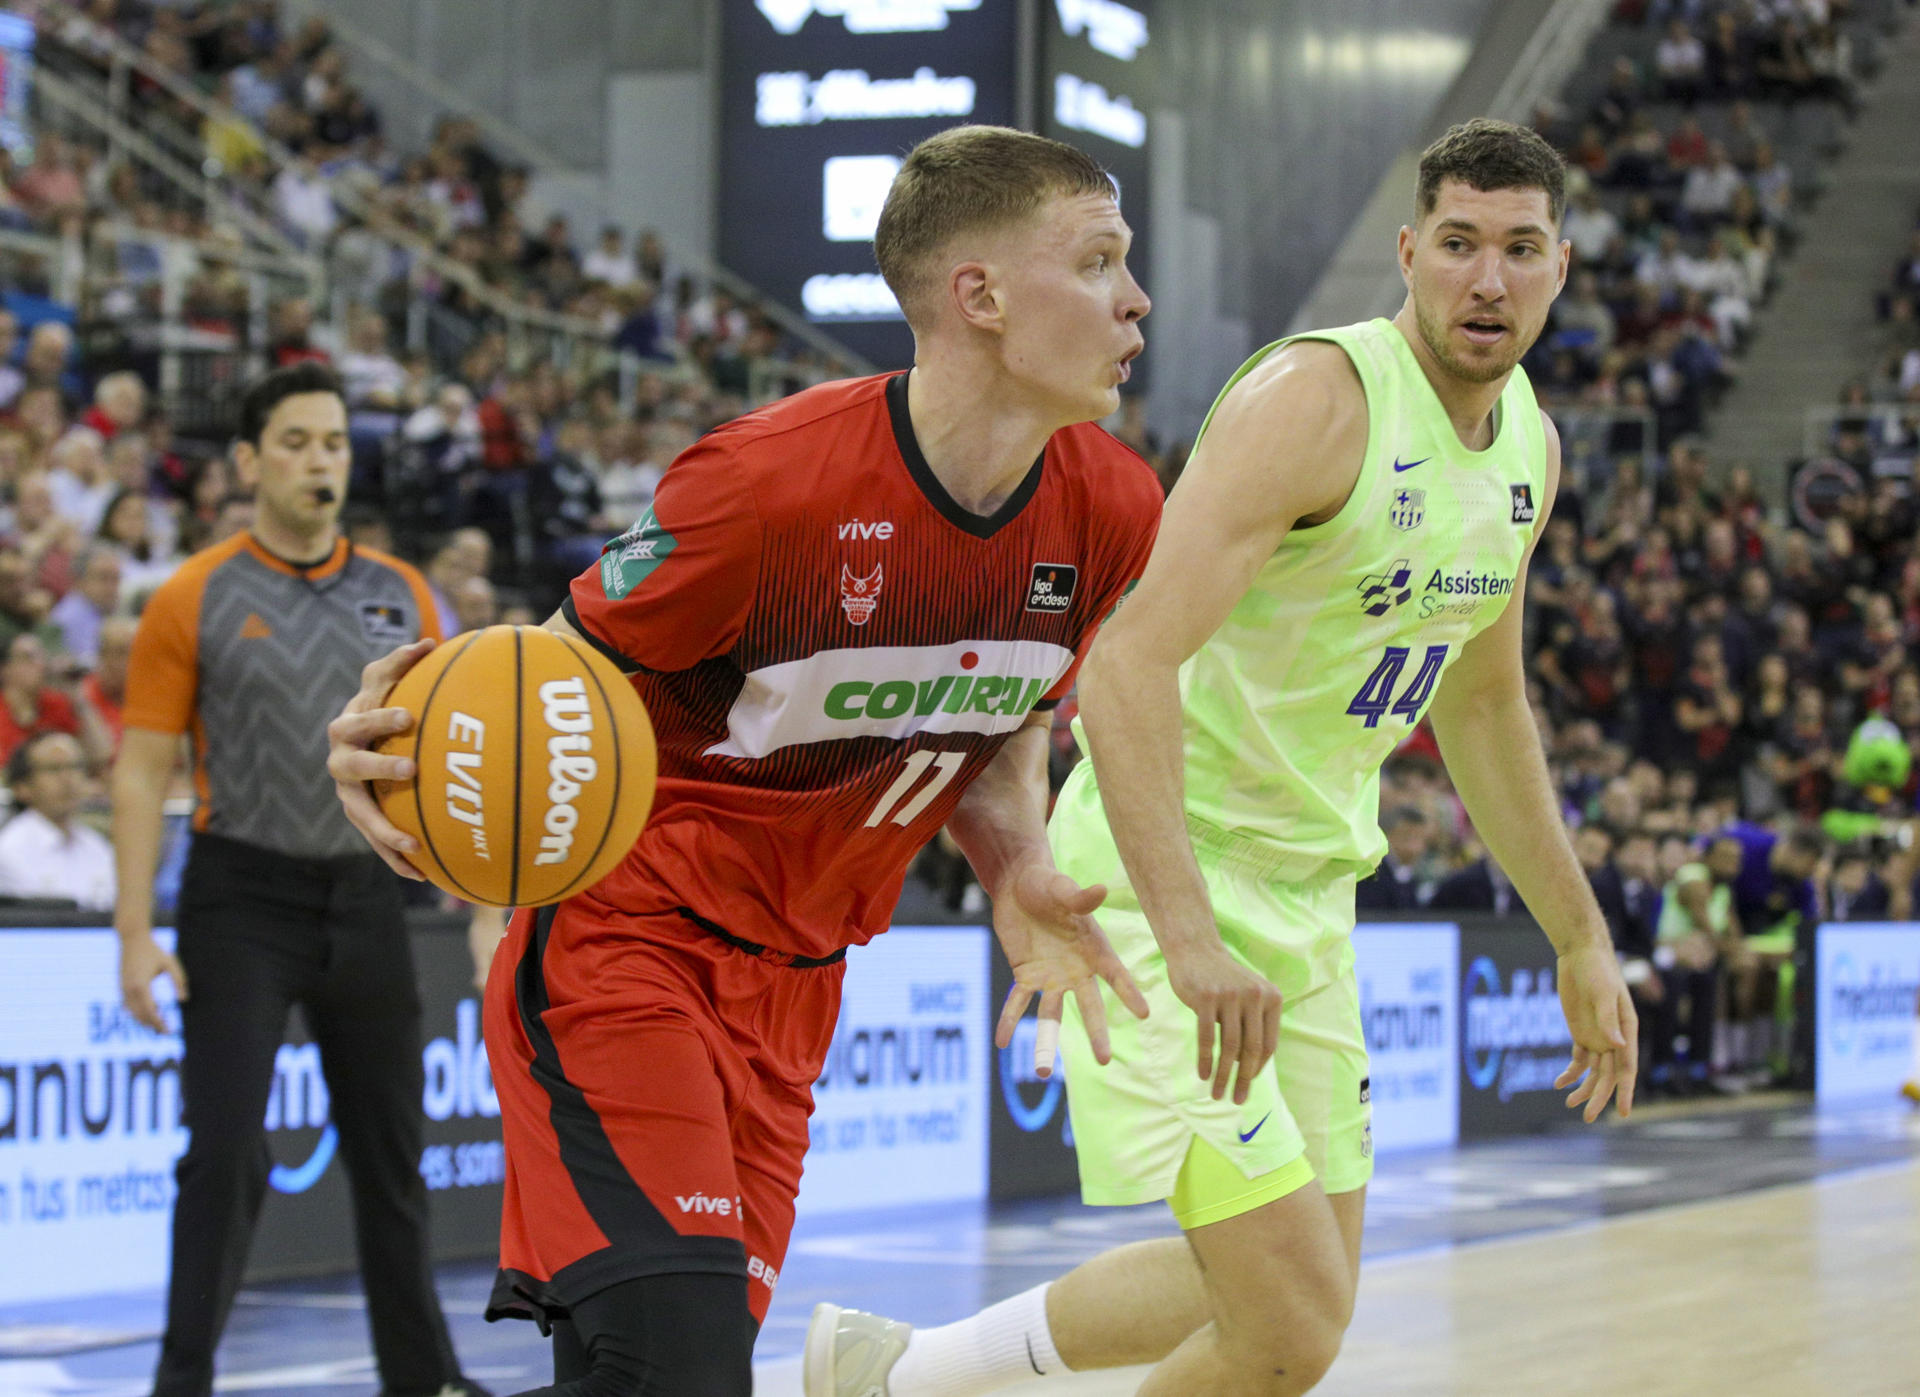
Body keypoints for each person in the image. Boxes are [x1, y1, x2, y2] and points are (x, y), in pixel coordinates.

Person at [326, 125, 1160, 1396]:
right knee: (685, 1363)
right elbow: (542, 683)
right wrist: (404, 756)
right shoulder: (768, 486)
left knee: (639, 1371)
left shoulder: (1111, 507)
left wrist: (1020, 865)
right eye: (1099, 260)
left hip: (795, 987)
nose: (1136, 298)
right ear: (978, 295)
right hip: (627, 940)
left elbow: (1006, 713)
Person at [809, 117, 1636, 1397]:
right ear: (1410, 253)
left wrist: (1579, 935)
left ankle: (893, 1374)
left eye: (1520, 250)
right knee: (1292, 1321)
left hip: (1308, 899)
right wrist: (1191, 935)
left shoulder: (1529, 442)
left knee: (1286, 1289)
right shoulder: (1320, 399)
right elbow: (1125, 664)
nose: (1489, 280)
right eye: (1461, 245)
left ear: (1561, 267)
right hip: (1162, 877)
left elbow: (1484, 705)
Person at [112, 363, 486, 1397]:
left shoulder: (404, 593)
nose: (320, 459)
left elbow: (462, 742)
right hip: (241, 899)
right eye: (295, 441)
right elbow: (142, 768)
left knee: (393, 1160)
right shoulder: (195, 593)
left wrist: (480, 888)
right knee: (224, 1153)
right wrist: (134, 930)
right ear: (247, 461)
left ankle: (427, 1379)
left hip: (369, 898)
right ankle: (180, 1378)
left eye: (333, 441)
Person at [0, 730, 113, 909]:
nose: (67, 779)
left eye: (75, 767)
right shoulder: (8, 851)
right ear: (22, 787)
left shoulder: (98, 847)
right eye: (53, 769)